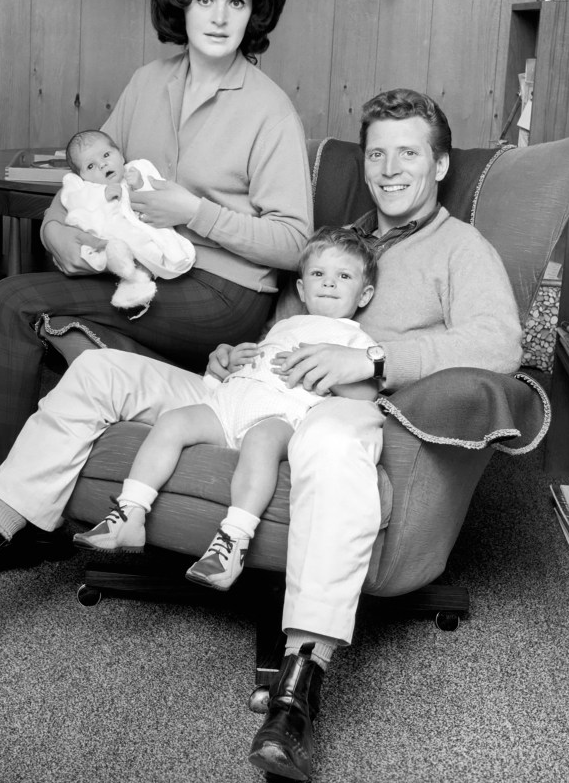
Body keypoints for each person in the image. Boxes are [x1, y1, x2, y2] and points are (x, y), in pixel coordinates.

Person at [0, 88, 524, 781]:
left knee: (334, 442)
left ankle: (296, 690)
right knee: (102, 372)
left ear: (438, 166)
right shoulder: (338, 243)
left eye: (407, 153)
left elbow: (498, 343)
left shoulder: (461, 249)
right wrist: (236, 353)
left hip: (338, 408)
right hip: (248, 389)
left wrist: (371, 359)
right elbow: (279, 325)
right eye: (376, 153)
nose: (388, 168)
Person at [0, 0, 312, 490]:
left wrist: (193, 211)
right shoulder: (147, 83)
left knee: (8, 296)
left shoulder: (271, 112)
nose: (220, 16)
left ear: (254, 15)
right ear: (183, 6)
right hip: (148, 273)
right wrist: (58, 236)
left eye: (236, 1)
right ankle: (34, 488)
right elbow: (82, 181)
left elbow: (295, 242)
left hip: (226, 293)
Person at [72, 226, 381, 591]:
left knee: (261, 441)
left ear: (364, 294)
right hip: (231, 403)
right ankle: (129, 513)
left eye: (343, 276)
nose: (328, 283)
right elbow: (256, 361)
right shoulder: (286, 324)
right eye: (318, 274)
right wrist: (234, 358)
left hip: (284, 415)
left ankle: (231, 543)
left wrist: (325, 369)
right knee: (173, 422)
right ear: (301, 289)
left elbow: (365, 395)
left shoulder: (354, 339)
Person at [58, 129, 196, 313]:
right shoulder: (89, 188)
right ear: (82, 176)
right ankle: (128, 275)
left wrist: (139, 184)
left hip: (143, 233)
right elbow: (76, 202)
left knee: (148, 252)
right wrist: (101, 194)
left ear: (121, 155)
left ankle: (135, 281)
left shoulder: (136, 171)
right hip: (111, 237)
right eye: (90, 166)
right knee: (112, 250)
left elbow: (158, 197)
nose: (102, 164)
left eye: (106, 155)